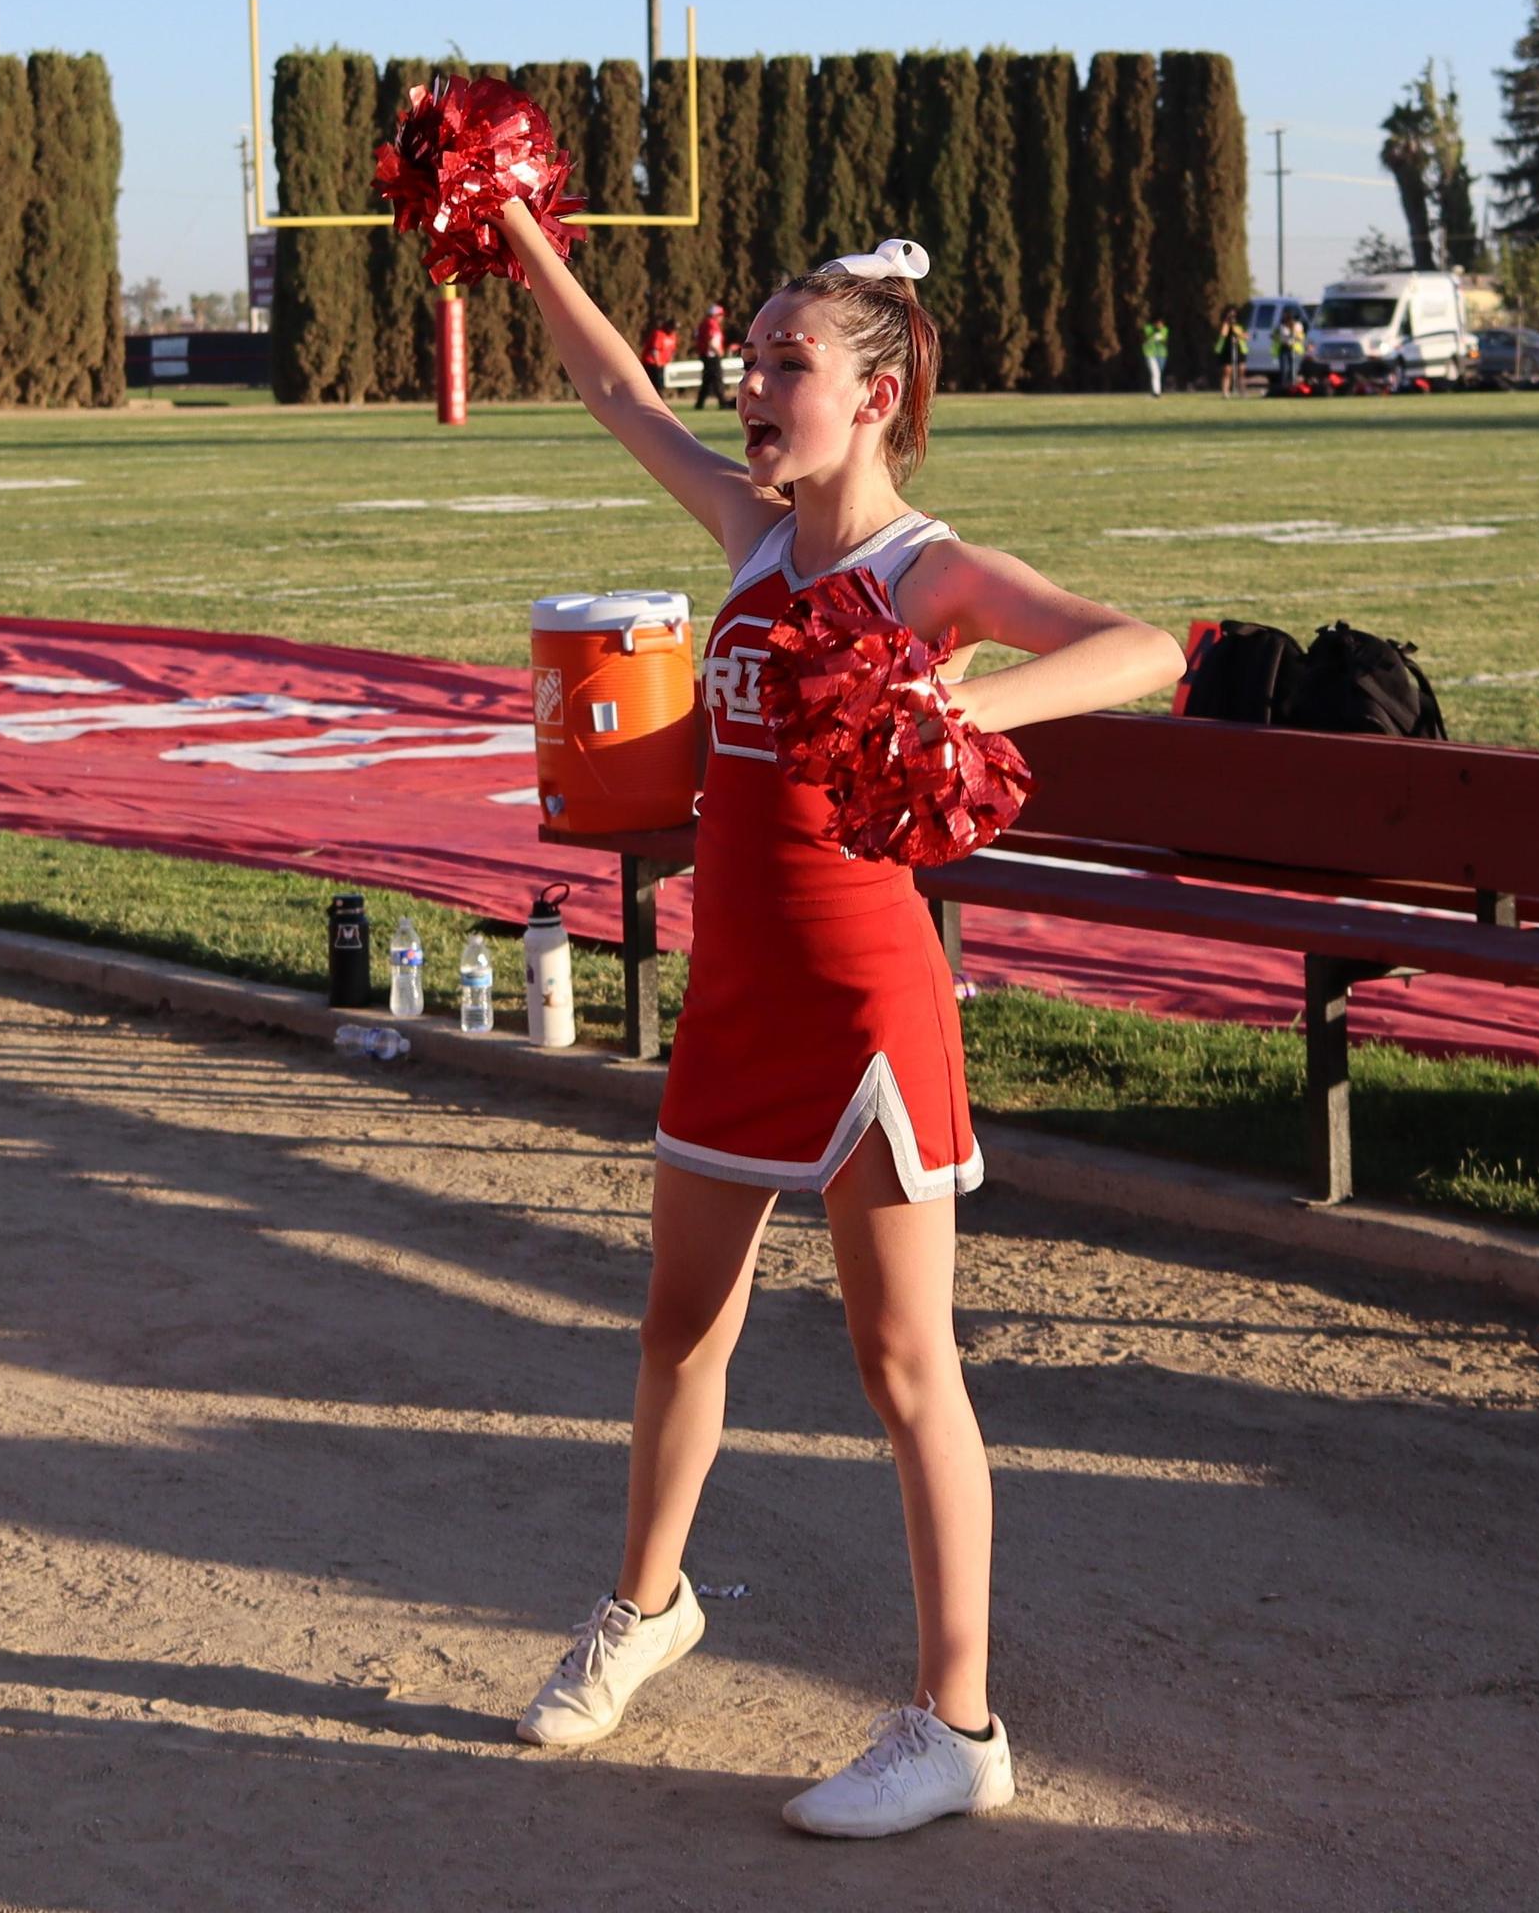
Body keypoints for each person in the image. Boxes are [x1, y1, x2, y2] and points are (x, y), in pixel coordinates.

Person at [492, 201, 1185, 1839]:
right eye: (747, 359)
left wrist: (954, 699)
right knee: (680, 1327)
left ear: (872, 395)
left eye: (785, 363)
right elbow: (612, 394)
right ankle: (648, 1610)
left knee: (901, 1361)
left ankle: (958, 1726)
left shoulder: (919, 569)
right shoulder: (751, 535)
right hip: (734, 999)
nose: (751, 386)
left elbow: (1139, 648)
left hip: (869, 1010)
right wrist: (513, 221)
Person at [693, 301, 731, 410]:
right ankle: (722, 402)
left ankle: (699, 404)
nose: (722, 318)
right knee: (717, 378)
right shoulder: (711, 324)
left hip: (707, 355)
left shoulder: (704, 323)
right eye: (720, 315)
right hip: (712, 356)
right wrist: (718, 351)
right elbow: (711, 340)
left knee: (707, 380)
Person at [639, 316, 679, 396]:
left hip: (661, 364)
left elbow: (672, 349)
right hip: (651, 363)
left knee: (660, 384)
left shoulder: (673, 336)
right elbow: (655, 350)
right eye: (673, 328)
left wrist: (669, 359)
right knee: (655, 385)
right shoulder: (659, 334)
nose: (674, 330)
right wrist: (658, 362)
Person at [1214, 306, 1247, 397]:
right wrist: (1228, 323)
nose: (1232, 316)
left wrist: (1238, 335)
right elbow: (1223, 334)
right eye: (1230, 314)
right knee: (1227, 371)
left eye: (1234, 314)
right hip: (1227, 349)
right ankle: (1225, 392)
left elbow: (1246, 336)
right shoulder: (1224, 324)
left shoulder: (1240, 325)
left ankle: (1242, 391)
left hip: (1239, 349)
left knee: (1241, 370)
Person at [1275, 312, 1306, 393]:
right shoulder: (1282, 327)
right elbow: (1283, 337)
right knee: (1285, 369)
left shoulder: (1298, 325)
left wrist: (1295, 333)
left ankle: (1293, 388)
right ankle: (1284, 388)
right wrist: (1290, 333)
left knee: (1293, 370)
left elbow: (1300, 337)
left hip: (1295, 350)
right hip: (1285, 348)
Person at [1140, 316, 1169, 397]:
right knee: (1155, 373)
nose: (1160, 325)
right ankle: (1156, 392)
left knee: (1159, 373)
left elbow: (1165, 341)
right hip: (1150, 353)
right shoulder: (1148, 328)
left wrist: (1161, 337)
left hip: (1162, 354)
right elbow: (1144, 339)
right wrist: (1153, 336)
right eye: (1158, 323)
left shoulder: (1164, 329)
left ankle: (1156, 391)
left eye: (1161, 323)